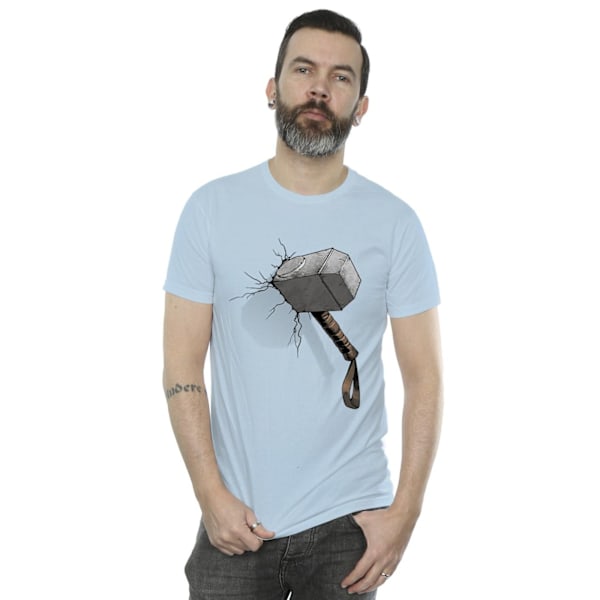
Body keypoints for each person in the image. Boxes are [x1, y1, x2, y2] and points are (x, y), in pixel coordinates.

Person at [163, 9, 443, 599]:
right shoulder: (211, 209)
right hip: (236, 518)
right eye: (304, 69)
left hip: (350, 520)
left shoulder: (395, 223)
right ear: (272, 88)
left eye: (341, 77)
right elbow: (182, 366)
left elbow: (425, 377)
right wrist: (210, 495)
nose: (320, 87)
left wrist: (406, 513)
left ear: (361, 107)